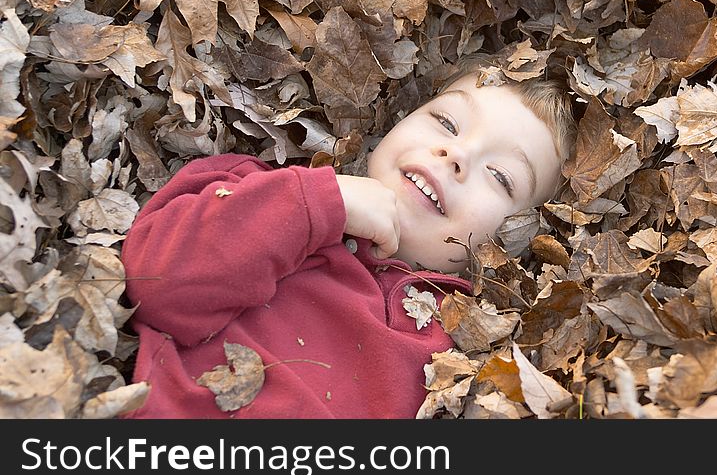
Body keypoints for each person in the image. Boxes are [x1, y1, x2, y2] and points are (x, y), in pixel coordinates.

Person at [120, 53, 576, 418]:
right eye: (447, 123)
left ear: (517, 240)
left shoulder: (459, 358)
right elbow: (156, 287)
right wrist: (318, 205)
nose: (456, 152)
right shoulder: (258, 190)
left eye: (500, 176)